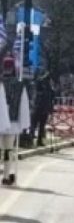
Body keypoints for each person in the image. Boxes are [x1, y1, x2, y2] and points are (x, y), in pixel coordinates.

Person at [1, 55, 31, 187]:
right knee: (8, 150)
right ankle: (6, 176)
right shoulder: (20, 86)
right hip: (12, 122)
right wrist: (24, 123)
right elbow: (23, 106)